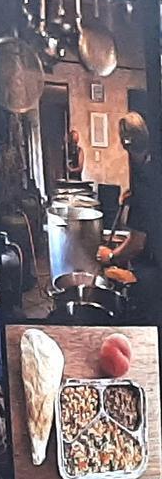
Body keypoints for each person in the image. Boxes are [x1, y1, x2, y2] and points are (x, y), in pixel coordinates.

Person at [99, 112, 160, 322]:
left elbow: (137, 244)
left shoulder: (146, 182)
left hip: (153, 271)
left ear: (126, 143)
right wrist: (132, 195)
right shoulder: (148, 164)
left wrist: (111, 256)